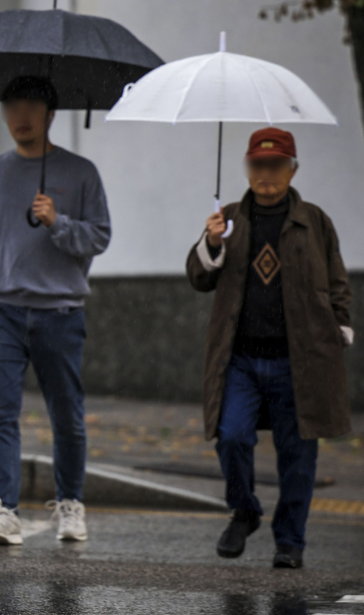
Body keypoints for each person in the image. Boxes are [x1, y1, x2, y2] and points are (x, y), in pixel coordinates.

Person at [186, 127, 353, 569]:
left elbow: (338, 281)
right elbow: (199, 278)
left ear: (292, 169)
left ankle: (290, 541)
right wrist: (213, 243)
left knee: (298, 454)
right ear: (247, 167)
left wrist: (340, 326)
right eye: (258, 165)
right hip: (239, 358)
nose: (266, 174)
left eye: (276, 165)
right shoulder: (231, 217)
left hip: (299, 359)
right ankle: (244, 510)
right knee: (232, 435)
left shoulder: (313, 221)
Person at [0, 76, 111, 545]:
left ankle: (70, 504)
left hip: (60, 313)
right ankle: (2, 511)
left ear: (51, 114)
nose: (21, 115)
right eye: (12, 105)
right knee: (0, 414)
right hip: (2, 309)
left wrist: (57, 223)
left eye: (31, 105)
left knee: (67, 415)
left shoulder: (81, 173)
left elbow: (99, 236)